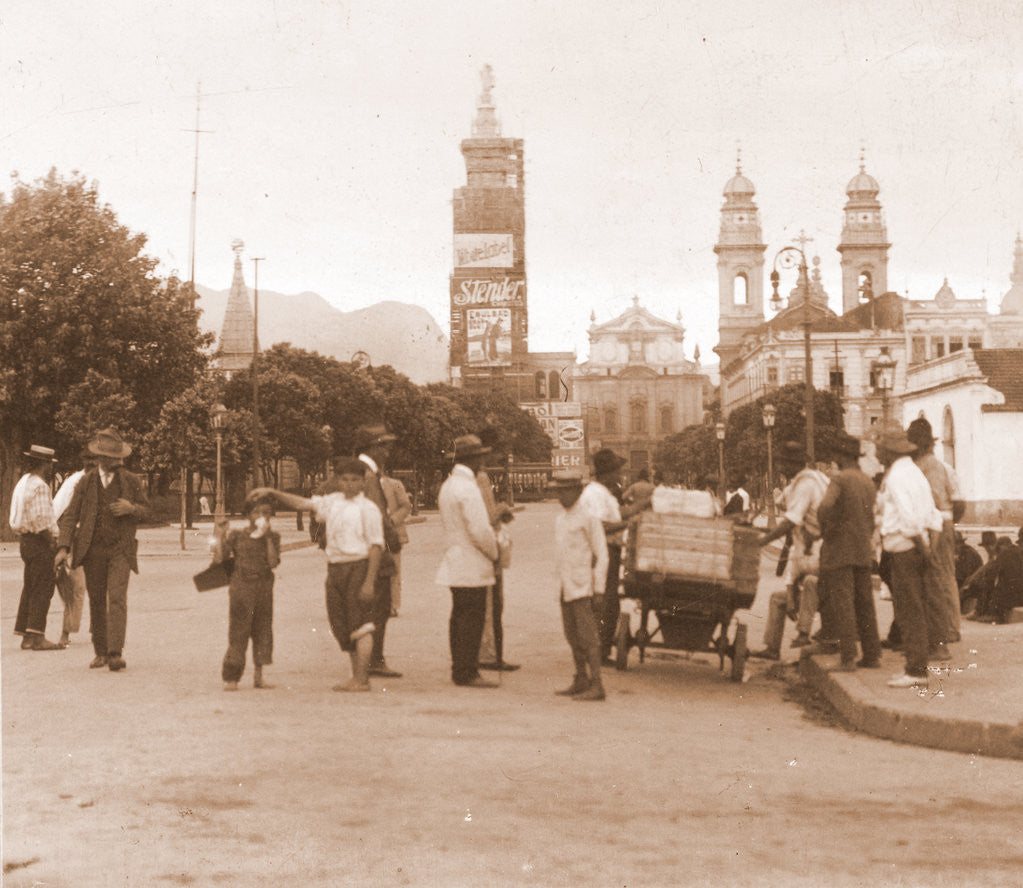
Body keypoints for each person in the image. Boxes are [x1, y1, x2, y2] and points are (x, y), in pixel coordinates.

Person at [254, 458, 384, 692]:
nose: (350, 484)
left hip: (358, 566)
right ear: (338, 481)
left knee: (362, 624)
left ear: (363, 482)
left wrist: (369, 582)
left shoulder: (369, 509)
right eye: (345, 479)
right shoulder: (332, 502)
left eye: (355, 480)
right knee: (342, 624)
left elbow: (376, 546)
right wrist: (273, 492)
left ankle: (362, 679)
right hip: (335, 568)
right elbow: (303, 503)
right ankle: (355, 675)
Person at [56, 428, 150, 672]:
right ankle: (100, 652)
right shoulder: (85, 482)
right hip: (92, 549)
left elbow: (147, 511)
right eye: (110, 458)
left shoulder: (131, 480)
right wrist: (63, 547)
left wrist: (131, 509)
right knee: (97, 600)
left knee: (117, 597)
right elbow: (71, 516)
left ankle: (115, 653)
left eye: (117, 457)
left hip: (121, 549)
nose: (115, 462)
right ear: (99, 457)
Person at [875, 431, 943, 688]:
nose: (877, 454)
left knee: (908, 610)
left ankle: (916, 670)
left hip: (904, 549)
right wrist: (929, 549)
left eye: (880, 449)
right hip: (917, 547)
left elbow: (908, 519)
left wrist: (922, 548)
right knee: (917, 607)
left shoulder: (895, 477)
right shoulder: (916, 473)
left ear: (890, 452)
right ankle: (915, 666)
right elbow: (934, 516)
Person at [751, 442, 831, 660]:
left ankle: (803, 633)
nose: (780, 467)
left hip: (822, 563)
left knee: (810, 583)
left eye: (782, 463)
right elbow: (783, 503)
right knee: (778, 598)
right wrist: (791, 593)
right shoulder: (812, 479)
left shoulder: (805, 485)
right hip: (816, 556)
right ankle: (771, 648)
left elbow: (790, 519)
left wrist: (762, 541)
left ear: (791, 464)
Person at [436, 434, 501, 688]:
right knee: (472, 618)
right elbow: (479, 529)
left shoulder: (449, 485)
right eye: (479, 457)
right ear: (473, 460)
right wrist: (494, 553)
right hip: (473, 560)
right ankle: (468, 671)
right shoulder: (468, 488)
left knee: (459, 616)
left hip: (455, 559)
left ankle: (460, 668)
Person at [579, 449, 651, 663]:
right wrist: (628, 524)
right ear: (608, 473)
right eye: (618, 471)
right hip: (601, 551)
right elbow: (600, 526)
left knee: (609, 602)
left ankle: (601, 649)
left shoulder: (604, 493)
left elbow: (619, 514)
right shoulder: (594, 494)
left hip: (609, 551)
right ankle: (598, 652)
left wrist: (642, 506)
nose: (620, 475)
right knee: (605, 603)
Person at [816, 434, 880, 671]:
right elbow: (871, 516)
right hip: (863, 548)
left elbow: (824, 507)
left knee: (843, 603)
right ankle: (872, 655)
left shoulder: (840, 479)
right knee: (865, 603)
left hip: (840, 549)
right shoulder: (867, 481)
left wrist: (827, 530)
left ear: (841, 456)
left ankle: (848, 657)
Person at [907, 417, 965, 656]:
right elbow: (958, 503)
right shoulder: (933, 465)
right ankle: (949, 627)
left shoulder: (929, 466)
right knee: (943, 575)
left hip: (936, 524)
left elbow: (937, 502)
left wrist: (942, 525)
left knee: (938, 577)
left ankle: (948, 630)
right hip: (942, 523)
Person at [213, 492, 281, 691]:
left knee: (263, 629)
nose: (261, 516)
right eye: (256, 512)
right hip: (241, 587)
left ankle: (259, 676)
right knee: (239, 630)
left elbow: (273, 562)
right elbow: (219, 559)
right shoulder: (237, 536)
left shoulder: (273, 537)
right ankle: (232, 677)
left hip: (264, 587)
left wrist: (266, 537)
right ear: (248, 515)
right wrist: (220, 535)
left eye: (266, 513)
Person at [551, 473, 609, 701]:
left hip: (584, 587)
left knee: (589, 638)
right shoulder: (561, 520)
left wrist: (599, 589)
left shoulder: (589, 518)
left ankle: (597, 684)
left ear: (578, 491)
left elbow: (602, 555)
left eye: (566, 491)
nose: (561, 496)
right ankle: (581, 678)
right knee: (572, 636)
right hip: (566, 586)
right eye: (558, 491)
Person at [356, 424, 403, 679]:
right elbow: (377, 514)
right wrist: (393, 540)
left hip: (359, 546)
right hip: (373, 547)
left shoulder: (357, 470)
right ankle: (375, 659)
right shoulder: (369, 475)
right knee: (379, 606)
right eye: (384, 446)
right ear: (372, 448)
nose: (387, 452)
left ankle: (368, 657)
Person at [10, 444, 63, 651]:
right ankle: (38, 635)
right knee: (43, 588)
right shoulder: (40, 486)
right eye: (49, 464)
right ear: (44, 464)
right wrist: (53, 543)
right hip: (40, 541)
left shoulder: (24, 482)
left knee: (30, 586)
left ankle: (26, 634)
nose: (50, 468)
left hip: (26, 541)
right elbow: (41, 520)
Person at [476, 426, 518, 673]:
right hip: (489, 547)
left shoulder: (478, 476)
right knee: (493, 605)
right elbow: (487, 517)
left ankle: (487, 653)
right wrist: (501, 509)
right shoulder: (481, 478)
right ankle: (492, 656)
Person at [52, 450, 96, 647]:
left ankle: (98, 629)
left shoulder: (102, 481)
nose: (92, 466)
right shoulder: (75, 482)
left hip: (93, 538)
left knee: (98, 585)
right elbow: (60, 511)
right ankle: (66, 632)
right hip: (75, 538)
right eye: (89, 462)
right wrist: (63, 544)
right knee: (75, 586)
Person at [380, 472, 413, 618]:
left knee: (393, 570)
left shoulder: (395, 485)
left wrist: (392, 520)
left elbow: (406, 506)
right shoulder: (364, 486)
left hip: (393, 534)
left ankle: (393, 605)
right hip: (373, 535)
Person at [991, 536, 1023, 624]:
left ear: (1001, 546)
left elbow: (994, 573)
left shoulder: (1005, 553)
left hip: (1012, 597)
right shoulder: (1019, 551)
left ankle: (996, 616)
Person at [954, 532, 983, 613]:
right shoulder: (964, 552)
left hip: (972, 588)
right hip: (969, 585)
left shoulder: (967, 554)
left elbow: (967, 577)